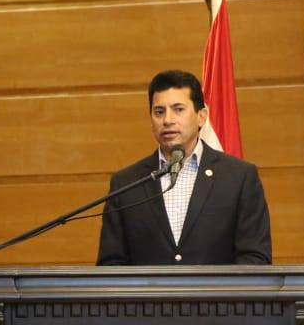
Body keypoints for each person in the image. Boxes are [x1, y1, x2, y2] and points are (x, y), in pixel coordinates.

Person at [96, 69, 272, 266]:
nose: (167, 120)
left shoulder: (239, 177)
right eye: (159, 112)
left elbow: (254, 258)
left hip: (218, 288)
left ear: (201, 116)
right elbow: (111, 265)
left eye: (178, 109)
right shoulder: (126, 183)